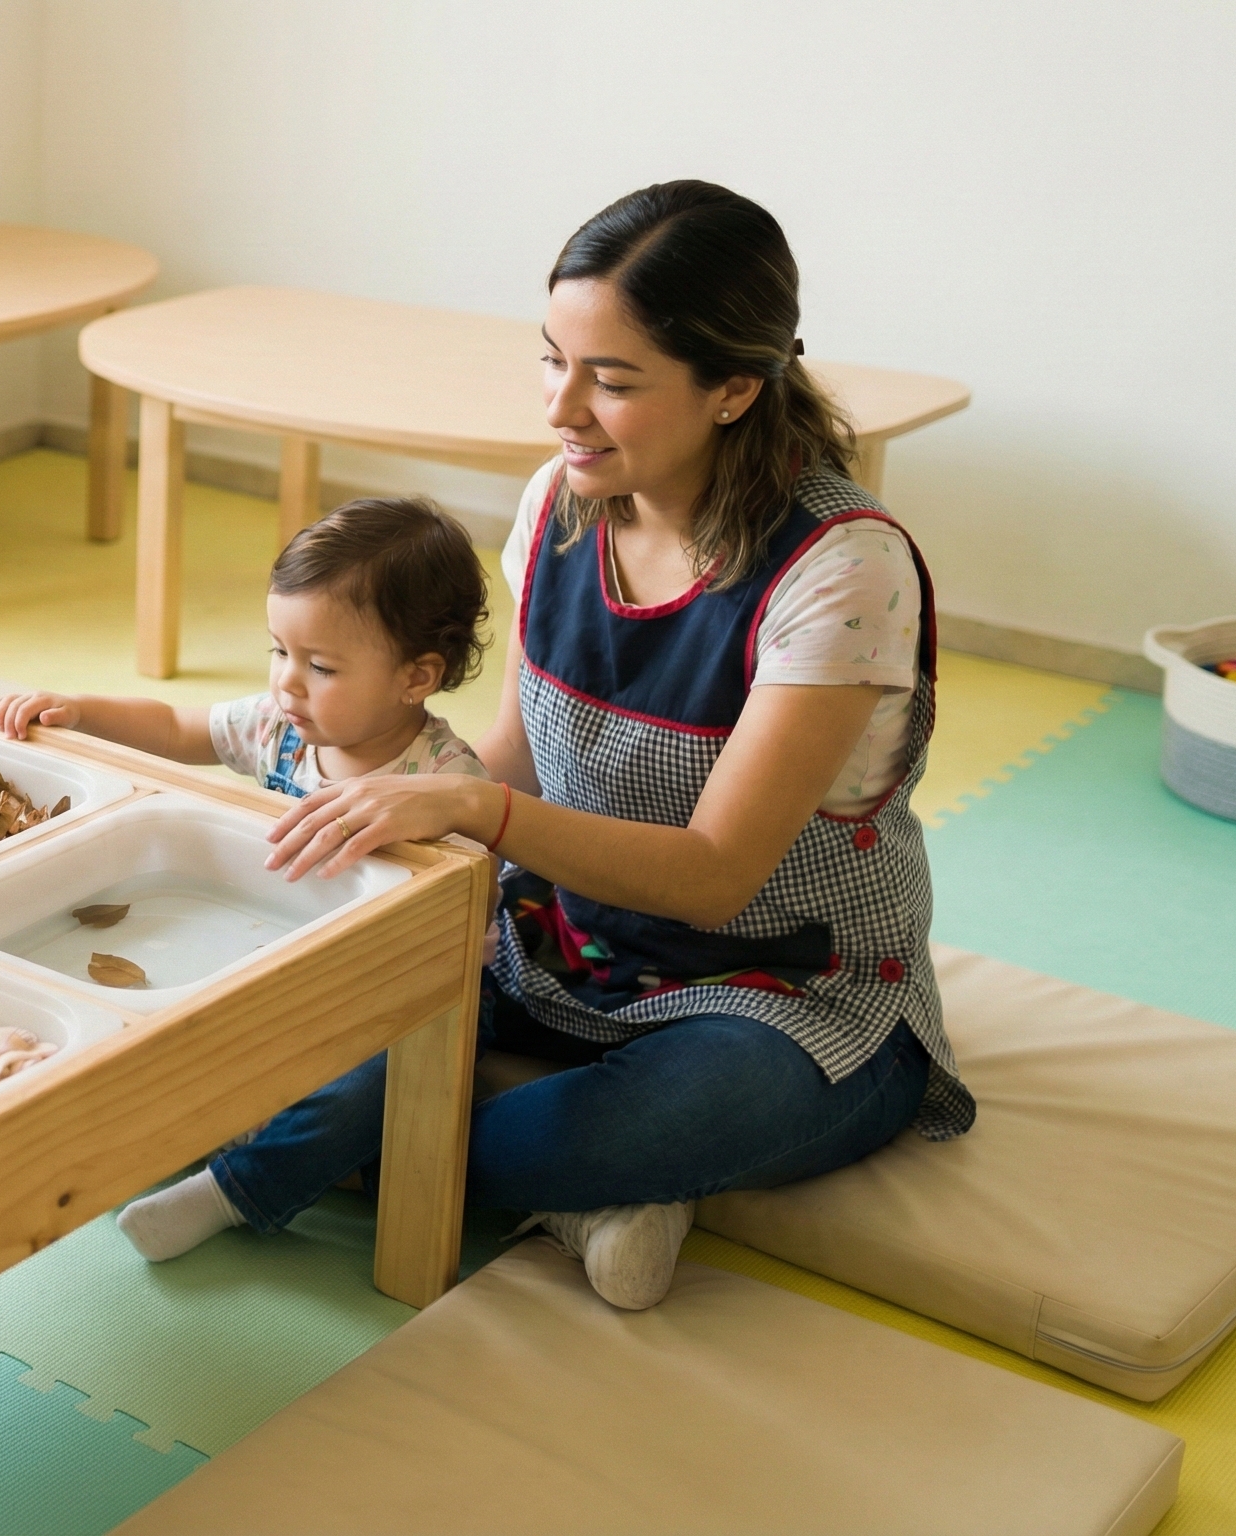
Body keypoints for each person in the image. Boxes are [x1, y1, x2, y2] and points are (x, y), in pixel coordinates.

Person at [115, 180, 971, 1311]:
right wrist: (403, 819)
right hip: (561, 936)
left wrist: (476, 816)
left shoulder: (839, 570)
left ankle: (532, 1160)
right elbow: (516, 752)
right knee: (286, 1020)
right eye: (551, 359)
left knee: (631, 1117)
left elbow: (713, 878)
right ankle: (583, 1190)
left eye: (610, 380)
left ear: (731, 389)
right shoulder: (560, 502)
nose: (561, 408)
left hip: (784, 985)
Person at [0, 495, 494, 795]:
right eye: (280, 651)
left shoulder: (445, 781)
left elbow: (471, 894)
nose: (287, 682)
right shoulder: (275, 728)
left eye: (320, 667)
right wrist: (79, 711)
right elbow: (171, 729)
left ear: (416, 677)